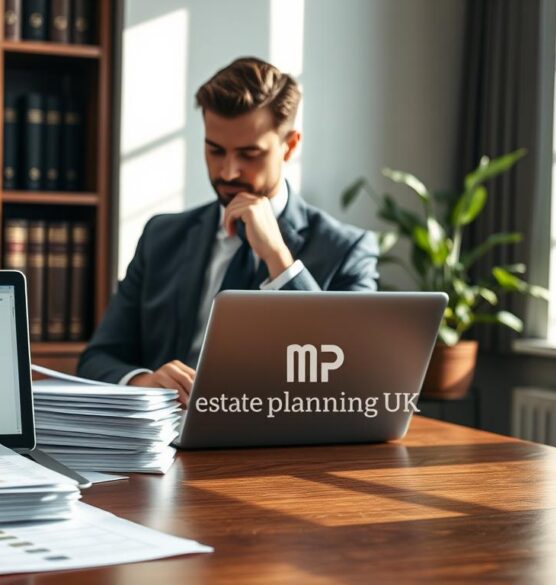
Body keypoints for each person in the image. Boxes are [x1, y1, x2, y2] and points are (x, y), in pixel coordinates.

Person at [77, 56, 379, 404]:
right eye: (215, 150)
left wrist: (279, 259)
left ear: (290, 146)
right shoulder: (162, 237)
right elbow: (97, 360)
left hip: (282, 445)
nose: (229, 172)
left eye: (249, 154)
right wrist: (146, 382)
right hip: (167, 441)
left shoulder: (346, 249)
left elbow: (349, 377)